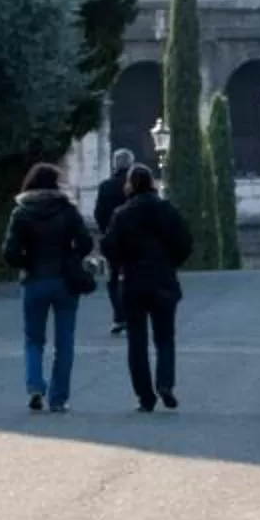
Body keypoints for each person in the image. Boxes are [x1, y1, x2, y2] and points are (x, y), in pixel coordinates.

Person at [3, 163, 96, 414]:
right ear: (54, 184)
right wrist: (72, 257)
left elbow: (9, 252)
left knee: (33, 339)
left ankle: (35, 386)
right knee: (64, 342)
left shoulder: (21, 212)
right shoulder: (67, 209)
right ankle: (58, 398)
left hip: (34, 281)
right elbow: (86, 242)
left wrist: (27, 262)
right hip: (65, 281)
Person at [103, 164, 195, 412]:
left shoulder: (122, 214)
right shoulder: (167, 210)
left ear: (130, 185)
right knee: (165, 338)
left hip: (133, 280)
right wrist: (171, 263)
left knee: (137, 341)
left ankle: (145, 396)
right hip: (163, 279)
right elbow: (185, 242)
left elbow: (109, 247)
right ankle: (165, 383)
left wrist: (122, 262)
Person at [94, 147, 134, 338]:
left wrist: (105, 232)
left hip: (112, 239)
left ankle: (119, 316)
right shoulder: (136, 185)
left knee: (113, 278)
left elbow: (99, 213)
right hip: (136, 240)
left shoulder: (106, 186)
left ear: (114, 165)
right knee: (135, 276)